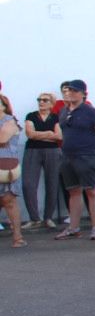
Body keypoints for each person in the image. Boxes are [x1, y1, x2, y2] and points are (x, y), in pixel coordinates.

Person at [54, 79, 95, 241]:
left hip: (86, 155)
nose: (70, 93)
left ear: (84, 94)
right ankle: (73, 227)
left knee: (90, 190)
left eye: (75, 91)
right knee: (73, 191)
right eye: (69, 90)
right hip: (67, 156)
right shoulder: (64, 111)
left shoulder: (91, 112)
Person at [22, 91, 62, 229]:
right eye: (39, 99)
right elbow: (30, 134)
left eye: (45, 100)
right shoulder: (31, 116)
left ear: (51, 103)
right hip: (32, 150)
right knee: (28, 184)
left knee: (52, 183)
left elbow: (59, 136)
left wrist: (44, 135)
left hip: (52, 151)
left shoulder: (55, 117)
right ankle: (34, 218)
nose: (41, 102)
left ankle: (48, 217)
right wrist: (49, 134)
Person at [0, 96, 24, 247]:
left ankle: (18, 237)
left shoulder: (10, 121)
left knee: (9, 201)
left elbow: (2, 139)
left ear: (4, 106)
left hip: (5, 167)